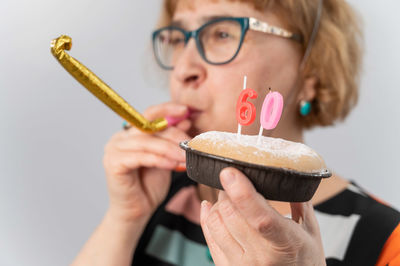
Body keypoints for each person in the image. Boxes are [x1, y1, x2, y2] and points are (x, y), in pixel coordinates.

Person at [71, 0, 400, 265]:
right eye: (178, 38)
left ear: (311, 67)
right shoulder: (158, 196)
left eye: (222, 34)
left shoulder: (386, 241)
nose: (184, 69)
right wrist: (125, 220)